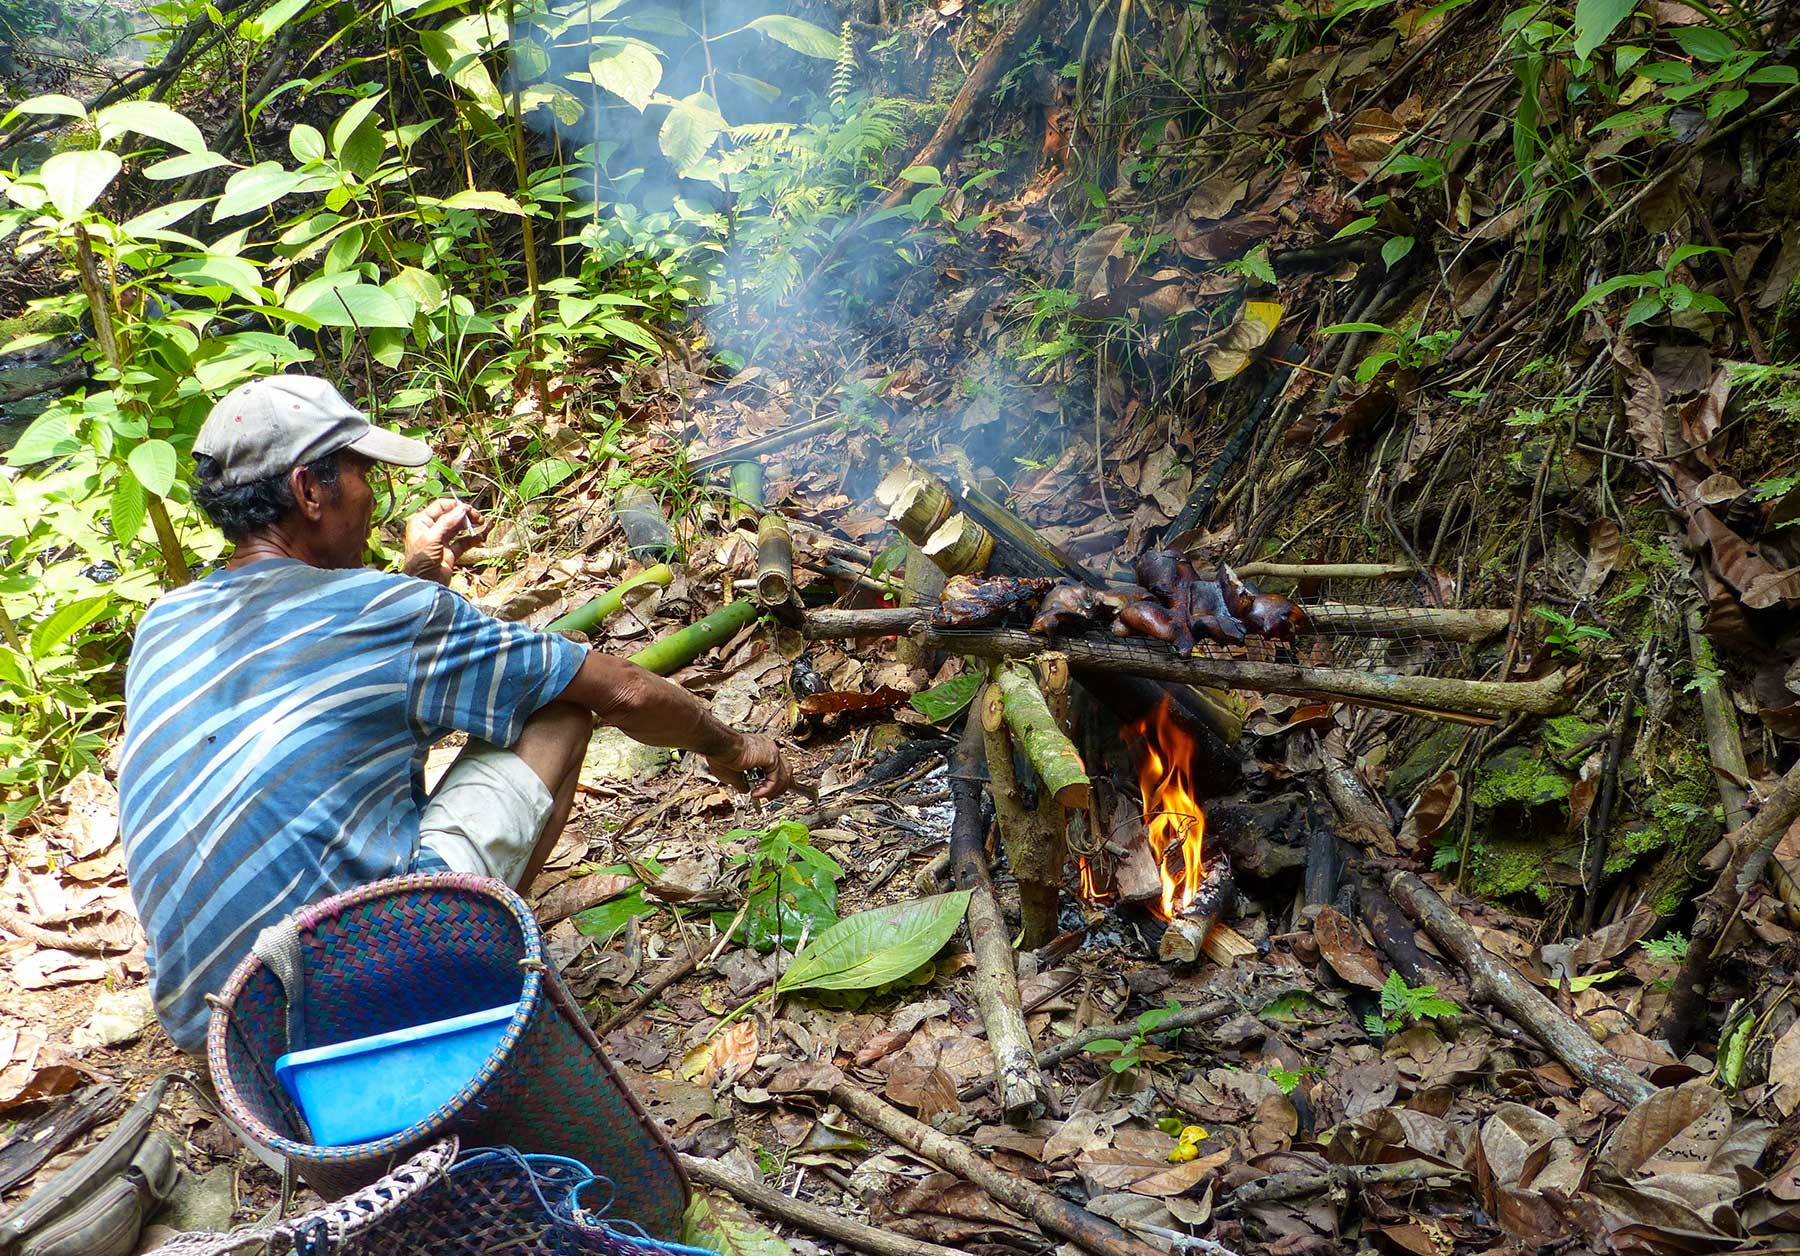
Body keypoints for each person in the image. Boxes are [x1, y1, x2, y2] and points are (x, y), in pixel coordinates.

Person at [118, 375, 793, 1052]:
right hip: (341, 1009)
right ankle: (464, 985)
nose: (373, 495)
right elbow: (621, 690)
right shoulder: (387, 614)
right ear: (309, 491)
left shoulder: (164, 622)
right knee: (557, 710)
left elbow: (326, 672)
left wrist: (417, 578)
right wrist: (729, 748)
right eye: (360, 474)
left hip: (222, 1028)